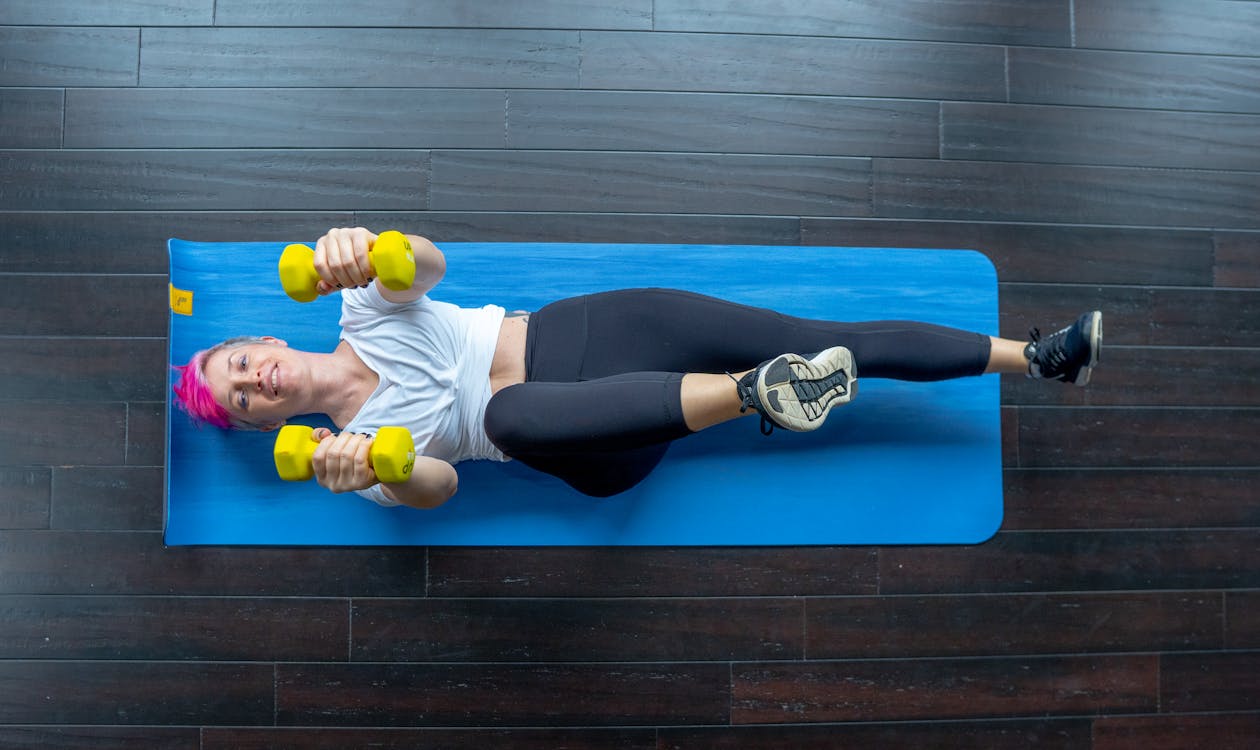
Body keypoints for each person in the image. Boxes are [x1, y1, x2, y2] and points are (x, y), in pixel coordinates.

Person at [172, 227, 1102, 509]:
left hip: (607, 334)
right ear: (266, 429)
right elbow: (441, 485)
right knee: (510, 420)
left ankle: (1042, 358)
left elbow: (430, 266)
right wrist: (369, 464)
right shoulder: (355, 457)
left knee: (819, 333)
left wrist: (370, 244)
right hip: (593, 444)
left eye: (243, 363)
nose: (254, 381)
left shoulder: (360, 301)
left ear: (272, 341)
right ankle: (758, 395)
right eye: (241, 398)